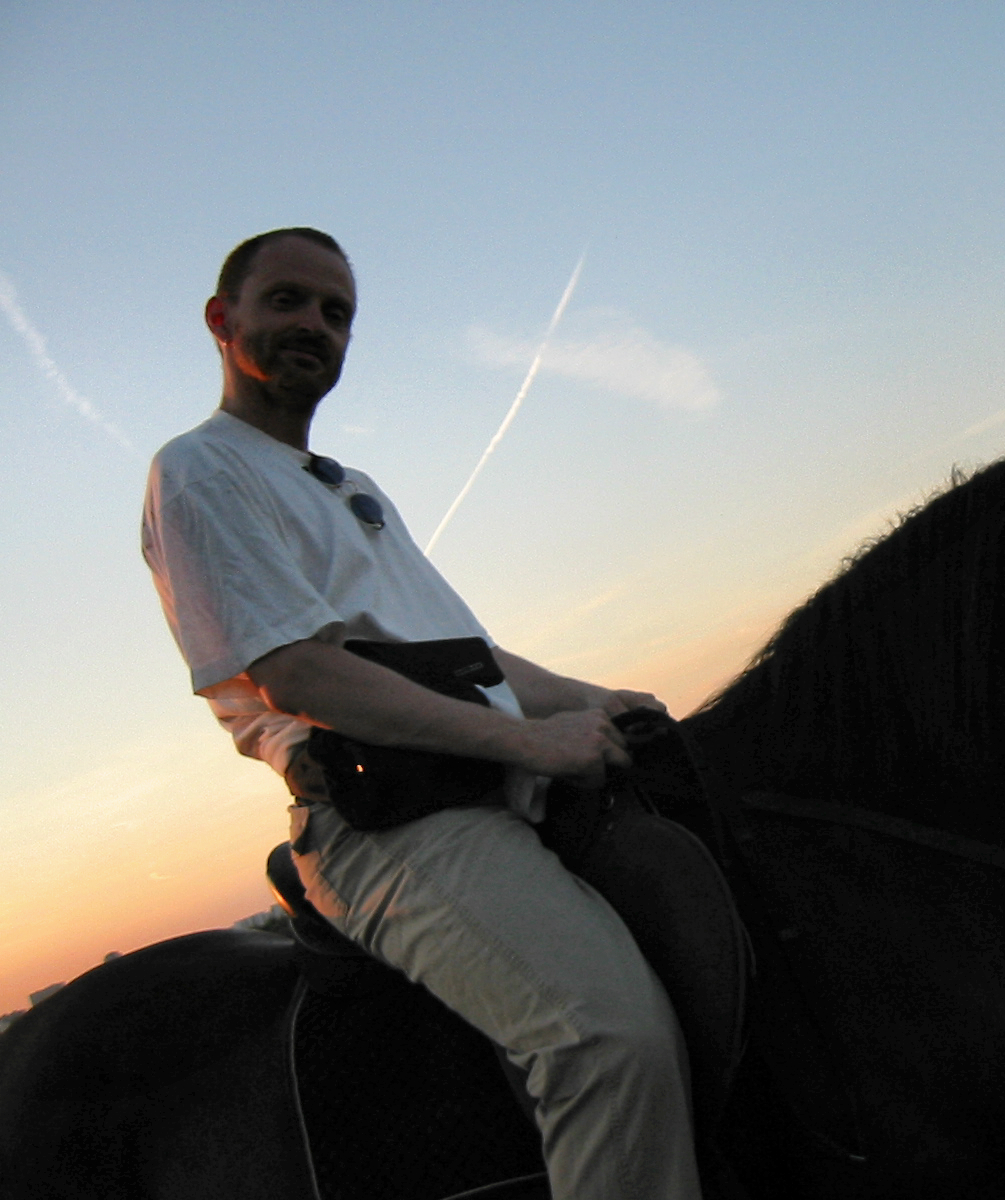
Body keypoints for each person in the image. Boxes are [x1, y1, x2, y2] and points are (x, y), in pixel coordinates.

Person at [141, 227, 702, 1200]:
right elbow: (300, 674)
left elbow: (474, 661)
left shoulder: (351, 489)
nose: (315, 325)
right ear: (221, 321)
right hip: (393, 823)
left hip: (492, 783)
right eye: (287, 301)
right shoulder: (200, 470)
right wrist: (531, 741)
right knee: (608, 1040)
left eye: (336, 312)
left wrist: (592, 698)